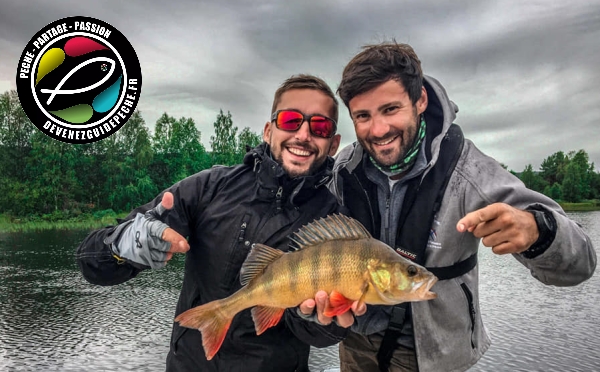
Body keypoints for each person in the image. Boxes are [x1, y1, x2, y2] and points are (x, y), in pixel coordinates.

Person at [323, 42, 596, 372]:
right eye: (363, 116)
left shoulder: (471, 171)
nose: (378, 130)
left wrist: (538, 231)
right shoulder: (343, 168)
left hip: (434, 355)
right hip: (355, 346)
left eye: (390, 109)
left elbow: (581, 263)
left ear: (420, 99)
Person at [76, 74, 349, 372]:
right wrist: (119, 248)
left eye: (320, 126)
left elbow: (322, 335)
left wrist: (322, 321)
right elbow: (93, 266)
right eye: (290, 120)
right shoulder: (209, 188)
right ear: (269, 131)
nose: (304, 134)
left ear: (333, 143)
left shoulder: (335, 222)